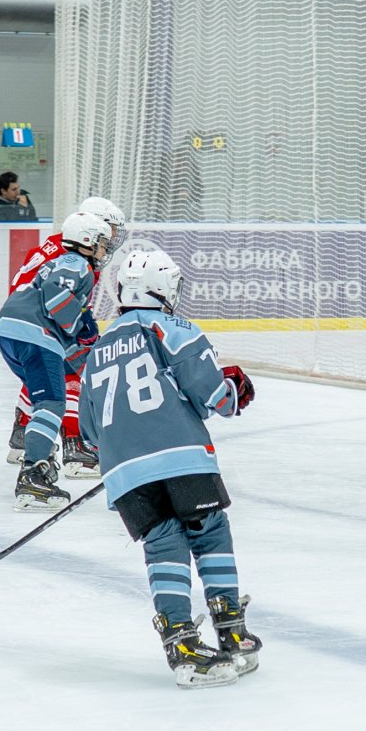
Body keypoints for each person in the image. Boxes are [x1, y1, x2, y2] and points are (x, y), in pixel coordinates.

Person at [77, 246, 259, 688]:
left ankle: (181, 642)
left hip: (123, 472)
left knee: (162, 543)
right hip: (180, 455)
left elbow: (88, 432)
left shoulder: (96, 351)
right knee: (209, 528)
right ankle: (230, 627)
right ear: (161, 288)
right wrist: (233, 391)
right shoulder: (173, 327)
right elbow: (212, 394)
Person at [0, 209, 112, 510]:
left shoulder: (62, 262)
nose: (105, 249)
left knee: (45, 400)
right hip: (35, 334)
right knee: (51, 403)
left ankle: (38, 456)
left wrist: (88, 362)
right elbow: (55, 294)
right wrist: (79, 323)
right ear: (86, 241)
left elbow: (69, 340)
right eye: (101, 242)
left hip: (11, 331)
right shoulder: (76, 263)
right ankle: (33, 474)